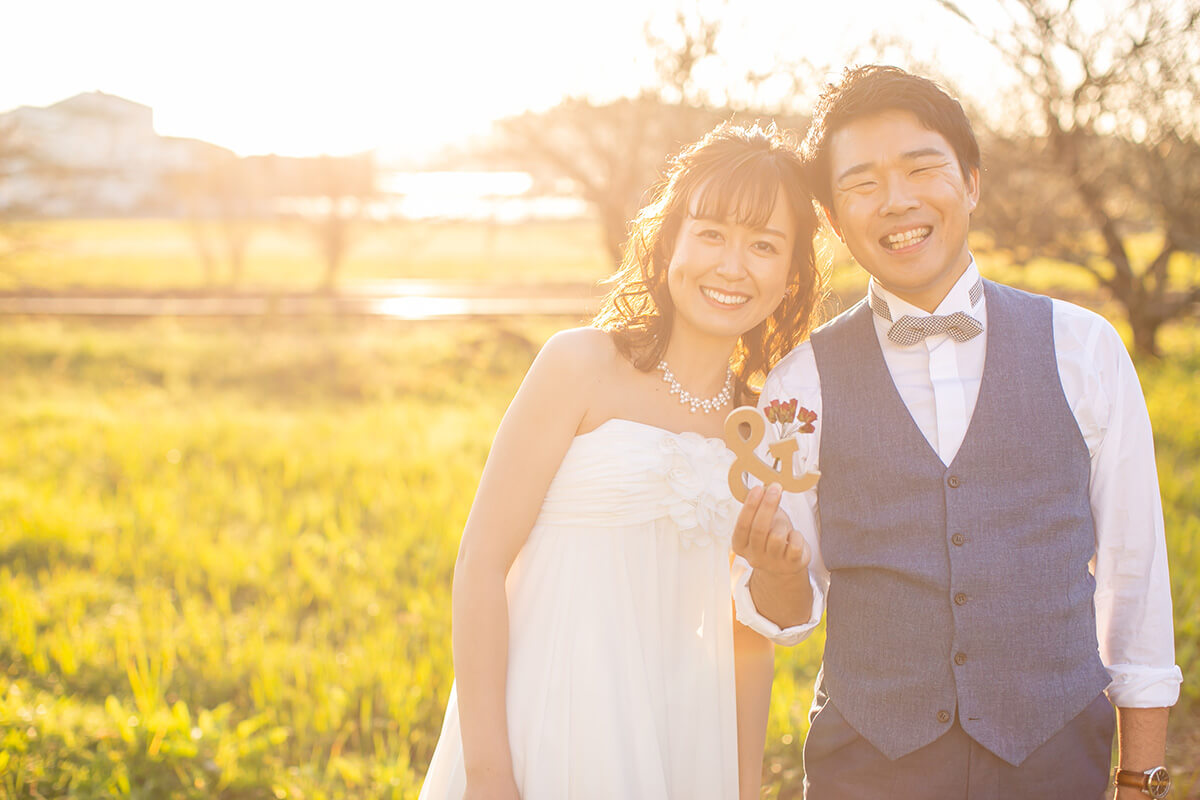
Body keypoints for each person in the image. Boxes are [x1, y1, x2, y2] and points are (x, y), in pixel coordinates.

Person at [731, 65, 1182, 799]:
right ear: (836, 223)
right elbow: (786, 614)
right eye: (863, 183)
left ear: (971, 182)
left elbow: (1135, 577)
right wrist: (778, 575)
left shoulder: (1084, 347)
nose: (898, 200)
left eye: (921, 167)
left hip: (1055, 759)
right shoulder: (798, 384)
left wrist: (1141, 775)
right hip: (868, 767)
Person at [418, 122, 824, 800]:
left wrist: (743, 787)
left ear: (789, 277)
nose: (732, 265)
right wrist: (489, 772)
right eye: (712, 233)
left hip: (684, 736)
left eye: (763, 245)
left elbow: (747, 637)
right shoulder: (578, 365)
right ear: (670, 243)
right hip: (552, 716)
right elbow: (481, 563)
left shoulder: (764, 428)